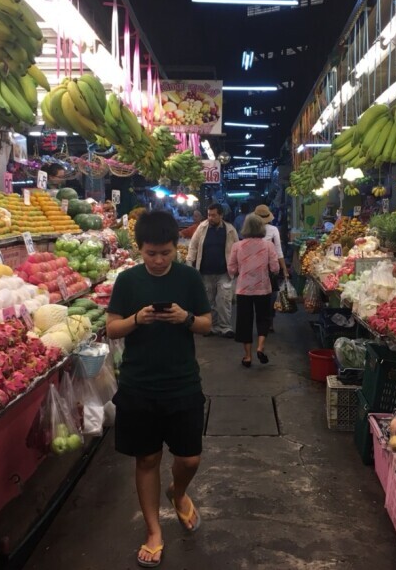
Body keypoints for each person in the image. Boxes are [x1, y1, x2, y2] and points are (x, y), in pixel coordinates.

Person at [106, 211, 213, 568]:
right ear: (139, 249)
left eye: (165, 253)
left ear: (176, 248)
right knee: (147, 459)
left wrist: (185, 318)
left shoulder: (189, 278)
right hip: (138, 385)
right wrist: (137, 319)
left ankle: (177, 492)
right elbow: (111, 329)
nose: (158, 260)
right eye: (151, 253)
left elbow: (207, 325)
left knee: (190, 458)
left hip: (183, 382)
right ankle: (153, 531)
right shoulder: (127, 281)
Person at [228, 214, 279, 367]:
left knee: (244, 321)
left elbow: (231, 269)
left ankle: (248, 356)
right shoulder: (268, 246)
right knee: (263, 318)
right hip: (263, 288)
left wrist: (241, 271)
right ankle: (260, 347)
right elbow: (275, 268)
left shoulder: (237, 246)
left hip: (244, 289)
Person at [186, 204, 238, 337]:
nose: (210, 218)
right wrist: (189, 262)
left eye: (214, 215)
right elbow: (193, 246)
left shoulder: (230, 230)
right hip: (205, 272)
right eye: (209, 215)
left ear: (221, 215)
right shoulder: (201, 228)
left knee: (224, 300)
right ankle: (211, 326)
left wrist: (237, 266)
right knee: (209, 301)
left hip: (224, 272)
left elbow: (236, 248)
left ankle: (225, 327)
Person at [253, 205, 289, 329]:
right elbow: (278, 251)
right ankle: (269, 320)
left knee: (258, 295)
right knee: (271, 294)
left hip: (255, 266)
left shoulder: (250, 230)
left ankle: (262, 320)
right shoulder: (273, 229)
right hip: (270, 266)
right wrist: (284, 269)